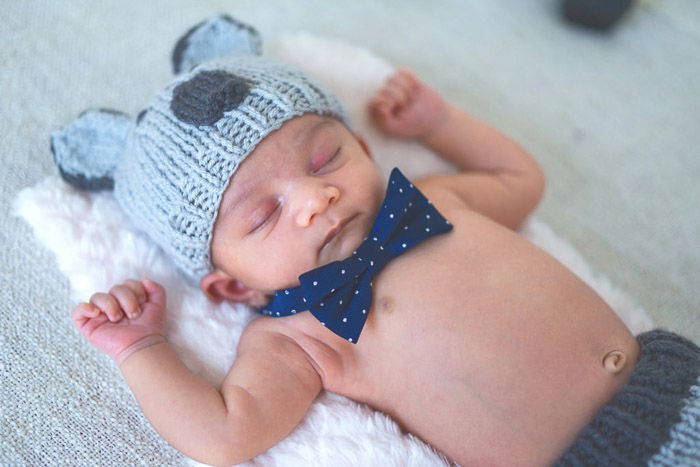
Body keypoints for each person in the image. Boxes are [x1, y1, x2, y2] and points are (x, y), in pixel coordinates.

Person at [54, 15, 699, 466]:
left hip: (675, 387)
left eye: (324, 160)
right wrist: (140, 347)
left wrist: (438, 124)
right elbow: (225, 435)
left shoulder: (433, 202)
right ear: (232, 285)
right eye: (263, 216)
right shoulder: (298, 335)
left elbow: (520, 179)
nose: (314, 200)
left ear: (362, 148)